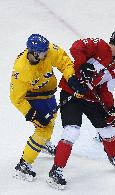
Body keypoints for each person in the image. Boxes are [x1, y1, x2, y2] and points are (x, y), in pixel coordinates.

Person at [46, 28, 115, 190]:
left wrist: (111, 110)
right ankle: (56, 170)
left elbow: (107, 91)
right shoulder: (99, 45)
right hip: (73, 91)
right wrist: (83, 64)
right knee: (72, 131)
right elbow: (76, 47)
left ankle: (113, 157)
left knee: (108, 128)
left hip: (92, 98)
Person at [10, 34, 85, 182]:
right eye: (44, 52)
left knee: (51, 120)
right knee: (43, 129)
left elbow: (64, 61)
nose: (48, 52)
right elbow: (15, 98)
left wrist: (71, 79)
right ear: (34, 53)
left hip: (49, 94)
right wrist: (32, 114)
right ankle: (24, 164)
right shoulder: (21, 70)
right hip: (33, 98)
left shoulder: (48, 50)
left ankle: (43, 144)